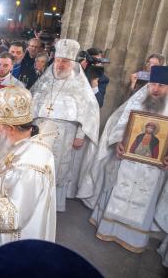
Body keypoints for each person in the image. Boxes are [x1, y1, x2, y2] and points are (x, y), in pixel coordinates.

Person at [0, 86, 57, 275]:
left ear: (12, 128)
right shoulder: (25, 144)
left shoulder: (28, 166)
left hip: (11, 240)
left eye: (0, 124)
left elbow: (14, 216)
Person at [81, 66, 168, 254]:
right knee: (117, 193)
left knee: (142, 200)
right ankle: (107, 229)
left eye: (161, 85)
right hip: (126, 162)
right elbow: (119, 124)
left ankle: (133, 239)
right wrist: (118, 143)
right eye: (153, 84)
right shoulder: (136, 101)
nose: (156, 89)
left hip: (153, 170)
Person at [31, 39, 100, 212]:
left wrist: (80, 135)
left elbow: (89, 112)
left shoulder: (80, 85)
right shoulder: (45, 81)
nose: (60, 65)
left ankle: (52, 205)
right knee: (37, 165)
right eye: (58, 60)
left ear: (73, 63)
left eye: (65, 61)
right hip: (39, 131)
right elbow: (32, 102)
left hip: (64, 133)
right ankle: (33, 200)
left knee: (57, 167)